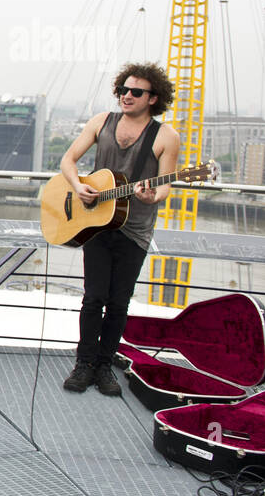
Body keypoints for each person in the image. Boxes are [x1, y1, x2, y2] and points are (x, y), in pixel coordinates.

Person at [58, 63, 179, 396]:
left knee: (119, 302)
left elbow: (167, 184)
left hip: (135, 230)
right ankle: (83, 364)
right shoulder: (102, 122)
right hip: (96, 223)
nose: (127, 95)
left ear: (153, 98)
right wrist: (77, 186)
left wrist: (153, 194)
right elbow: (68, 161)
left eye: (136, 92)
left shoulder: (166, 136)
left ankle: (104, 366)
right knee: (93, 298)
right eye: (124, 89)